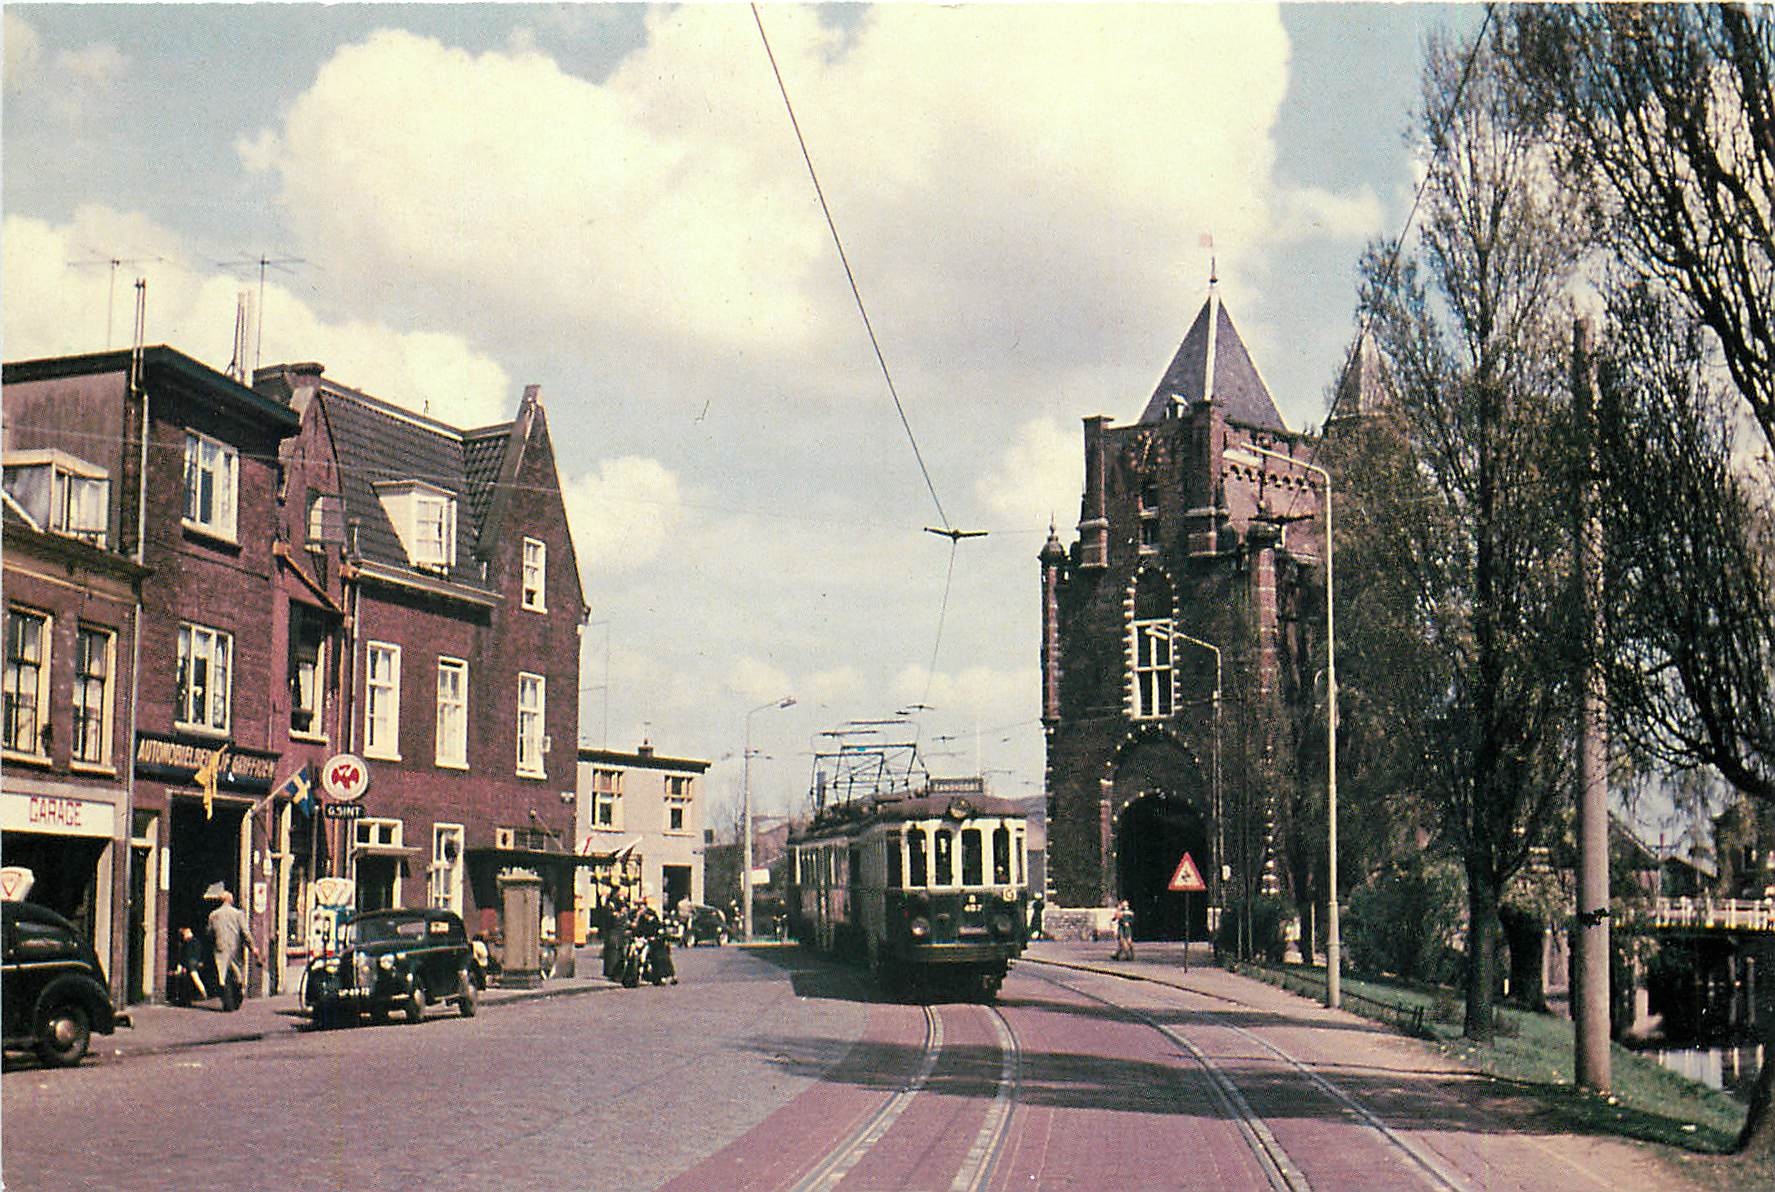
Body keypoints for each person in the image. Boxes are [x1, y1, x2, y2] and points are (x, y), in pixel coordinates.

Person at [205, 883, 259, 1011]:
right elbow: (245, 932)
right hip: (234, 948)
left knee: (221, 975)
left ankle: (226, 1003)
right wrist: (252, 947)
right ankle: (238, 995)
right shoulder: (238, 914)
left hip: (220, 948)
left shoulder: (213, 915)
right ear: (230, 900)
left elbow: (209, 932)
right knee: (237, 974)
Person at [170, 926, 207, 1005]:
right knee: (194, 978)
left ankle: (203, 993)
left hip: (189, 963)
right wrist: (200, 961)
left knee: (193, 978)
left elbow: (186, 955)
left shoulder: (187, 943)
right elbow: (201, 952)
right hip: (195, 962)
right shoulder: (197, 942)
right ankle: (202, 993)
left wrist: (183, 965)